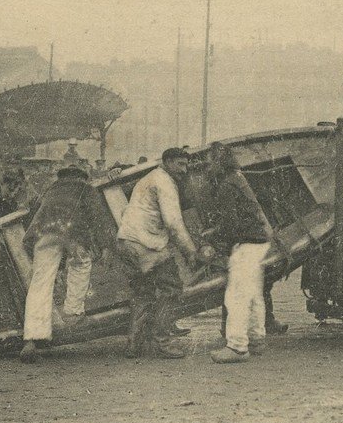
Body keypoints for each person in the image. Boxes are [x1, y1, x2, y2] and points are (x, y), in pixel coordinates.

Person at [116, 147, 209, 359]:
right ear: (167, 162)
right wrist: (191, 253)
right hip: (147, 244)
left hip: (127, 242)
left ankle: (134, 343)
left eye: (186, 165)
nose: (184, 170)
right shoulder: (165, 182)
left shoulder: (149, 178)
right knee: (172, 289)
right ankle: (164, 342)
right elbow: (173, 223)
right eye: (180, 164)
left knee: (143, 293)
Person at [19, 164, 100, 363]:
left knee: (40, 282)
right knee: (81, 263)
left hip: (44, 233)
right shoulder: (85, 189)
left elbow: (32, 214)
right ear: (82, 177)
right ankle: (73, 311)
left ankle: (32, 337)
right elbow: (98, 217)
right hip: (72, 232)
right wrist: (104, 245)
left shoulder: (50, 190)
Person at [205, 143, 275, 364]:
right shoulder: (239, 177)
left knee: (236, 296)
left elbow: (230, 224)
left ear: (219, 162)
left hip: (245, 244)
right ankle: (256, 340)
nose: (207, 168)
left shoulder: (226, 185)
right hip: (259, 241)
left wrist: (213, 239)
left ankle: (236, 347)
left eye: (210, 162)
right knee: (254, 294)